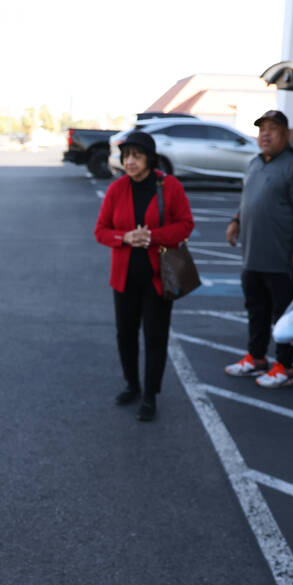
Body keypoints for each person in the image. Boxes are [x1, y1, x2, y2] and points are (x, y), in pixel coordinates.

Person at [93, 131, 194, 421]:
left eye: (136, 156)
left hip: (158, 277)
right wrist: (124, 237)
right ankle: (132, 385)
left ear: (150, 158)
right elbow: (100, 231)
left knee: (155, 337)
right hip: (124, 278)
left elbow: (186, 224)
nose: (130, 162)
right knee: (125, 334)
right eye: (126, 156)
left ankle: (150, 394)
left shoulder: (169, 186)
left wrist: (152, 237)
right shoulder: (117, 188)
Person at [224, 109, 293, 388]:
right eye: (261, 129)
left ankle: (285, 366)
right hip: (253, 255)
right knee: (257, 310)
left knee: (285, 315)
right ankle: (256, 358)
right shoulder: (254, 163)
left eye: (272, 129)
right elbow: (248, 199)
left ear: (285, 134)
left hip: (283, 258)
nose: (265, 134)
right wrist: (236, 221)